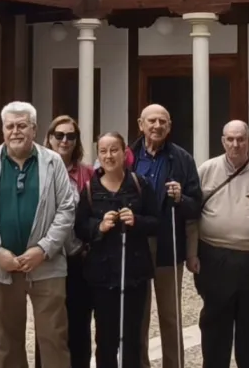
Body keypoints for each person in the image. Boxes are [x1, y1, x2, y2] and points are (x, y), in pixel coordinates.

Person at [0, 101, 77, 368]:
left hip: (47, 266)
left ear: (34, 129)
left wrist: (43, 249)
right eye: (10, 126)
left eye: (22, 126)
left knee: (53, 339)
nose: (16, 131)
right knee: (5, 343)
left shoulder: (52, 163)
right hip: (2, 268)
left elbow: (66, 208)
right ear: (2, 129)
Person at [189, 120, 249, 368]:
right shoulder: (207, 169)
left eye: (241, 139)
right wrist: (191, 253)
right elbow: (191, 214)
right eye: (230, 139)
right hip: (215, 258)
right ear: (223, 141)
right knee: (214, 324)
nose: (235, 144)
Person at [128, 104, 203, 368]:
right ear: (141, 124)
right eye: (152, 121)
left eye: (162, 121)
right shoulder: (128, 156)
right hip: (136, 242)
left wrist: (180, 198)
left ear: (169, 126)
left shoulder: (182, 159)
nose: (157, 126)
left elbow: (196, 205)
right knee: (138, 313)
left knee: (170, 315)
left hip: (169, 242)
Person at [76, 132, 159, 368]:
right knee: (105, 337)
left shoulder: (139, 185)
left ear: (124, 153)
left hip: (134, 274)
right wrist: (99, 226)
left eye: (114, 150)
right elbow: (79, 227)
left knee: (133, 337)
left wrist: (137, 221)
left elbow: (156, 222)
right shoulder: (90, 189)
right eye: (103, 151)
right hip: (102, 276)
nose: (109, 156)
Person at [38, 115, 94, 368]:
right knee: (49, 326)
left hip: (77, 257)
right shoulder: (37, 171)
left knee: (79, 323)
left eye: (70, 136)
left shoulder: (87, 173)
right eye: (59, 135)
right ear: (49, 138)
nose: (64, 140)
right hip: (47, 257)